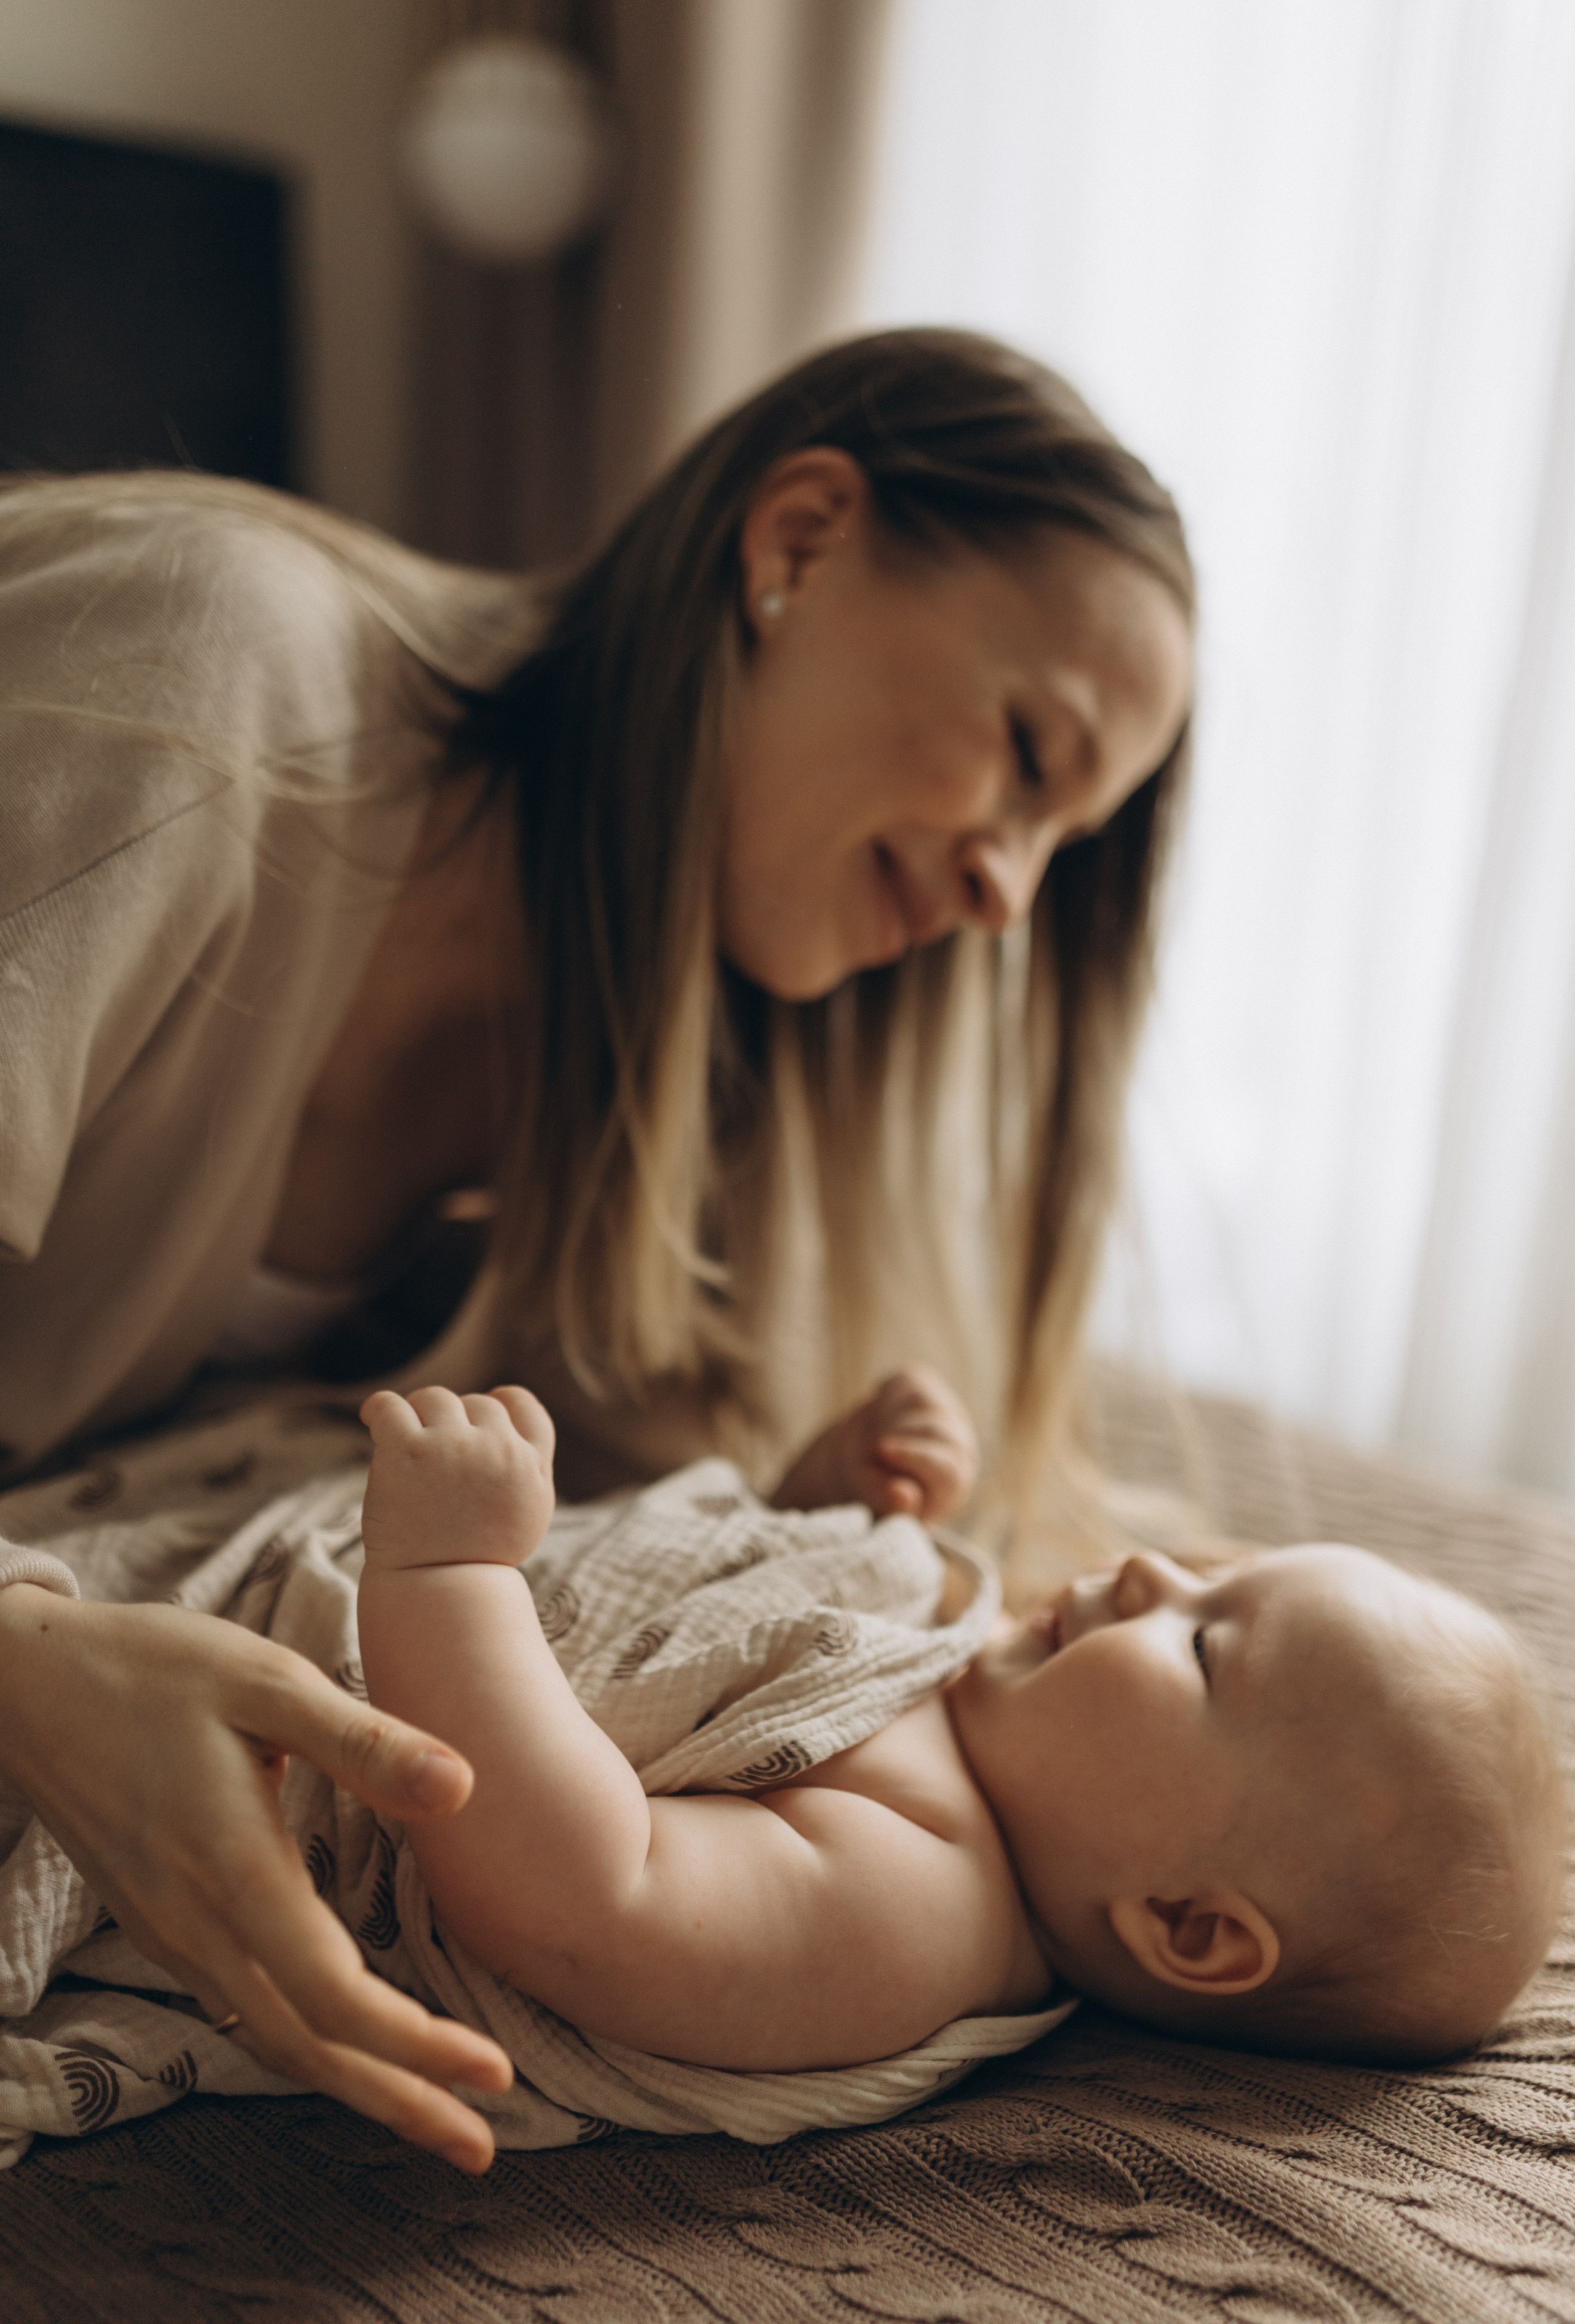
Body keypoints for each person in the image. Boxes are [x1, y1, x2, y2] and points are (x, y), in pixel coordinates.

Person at [0, 331, 1194, 2162]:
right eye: (1028, 757)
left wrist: (779, 1514)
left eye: (1063, 848)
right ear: (797, 542)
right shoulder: (202, 676)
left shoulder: (664, 1086)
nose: (1006, 898)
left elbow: (616, 1615)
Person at [356, 1374, 1567, 2089]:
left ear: (1187, 1927)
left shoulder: (914, 1894)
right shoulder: (983, 1697)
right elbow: (730, 1650)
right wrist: (823, 1502)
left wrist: (446, 1575)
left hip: (338, 1740)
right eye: (1206, 1573)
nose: (1146, 1569)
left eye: (1204, 1645)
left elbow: (584, 1901)